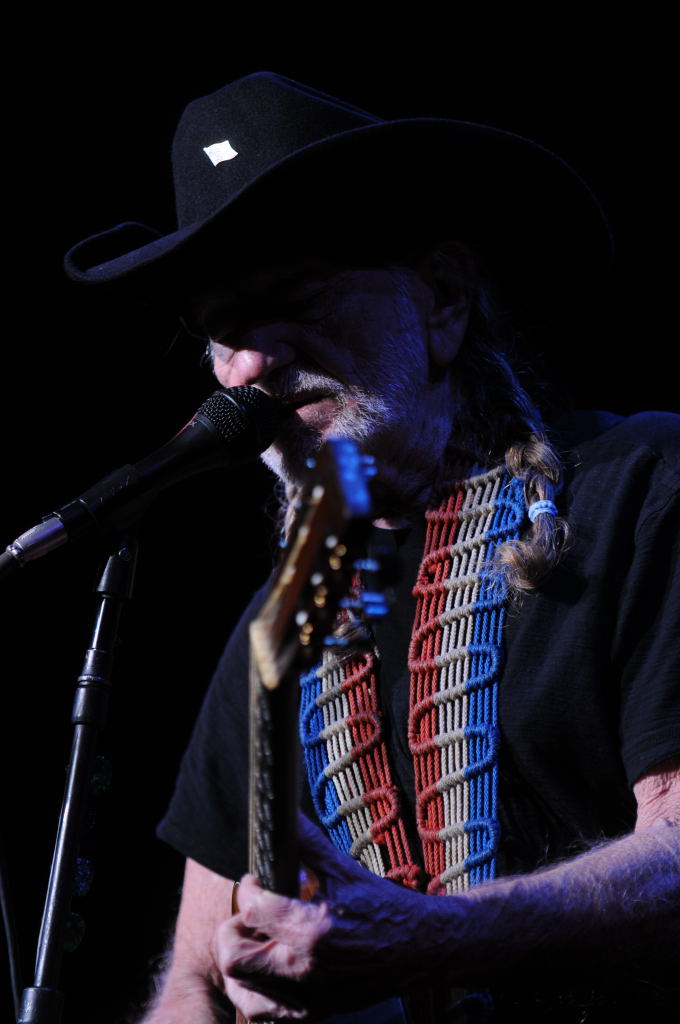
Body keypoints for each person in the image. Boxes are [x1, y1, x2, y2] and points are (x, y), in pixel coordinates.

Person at [65, 72, 679, 1023]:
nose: (250, 365)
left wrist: (432, 937)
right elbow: (192, 986)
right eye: (222, 333)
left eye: (292, 299)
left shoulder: (642, 490)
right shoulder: (278, 632)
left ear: (443, 301)